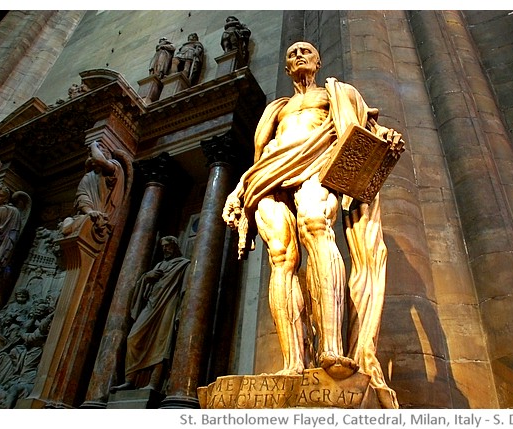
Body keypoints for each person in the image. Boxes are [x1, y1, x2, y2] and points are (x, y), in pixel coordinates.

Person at [222, 41, 404, 408]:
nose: (298, 56)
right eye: (290, 54)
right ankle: (292, 363)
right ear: (287, 68)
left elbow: (363, 127)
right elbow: (260, 154)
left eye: (305, 51)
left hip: (318, 164)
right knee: (281, 256)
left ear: (319, 60)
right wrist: (239, 188)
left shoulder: (336, 94)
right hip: (270, 175)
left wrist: (383, 134)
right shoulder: (277, 108)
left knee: (316, 225)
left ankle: (333, 349)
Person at [110, 236, 190, 392]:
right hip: (151, 305)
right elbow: (144, 289)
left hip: (168, 305)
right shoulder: (159, 265)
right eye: (163, 247)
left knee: (161, 342)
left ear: (175, 246)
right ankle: (130, 380)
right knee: (133, 338)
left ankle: (154, 383)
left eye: (168, 246)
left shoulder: (183, 264)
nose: (165, 249)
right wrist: (146, 277)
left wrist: (181, 311)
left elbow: (186, 289)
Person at [60, 141, 124, 236]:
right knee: (67, 223)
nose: (92, 155)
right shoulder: (88, 176)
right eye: (91, 154)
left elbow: (99, 160)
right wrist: (90, 211)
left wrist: (93, 145)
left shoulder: (114, 167)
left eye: (102, 150)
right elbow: (82, 197)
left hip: (102, 216)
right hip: (91, 213)